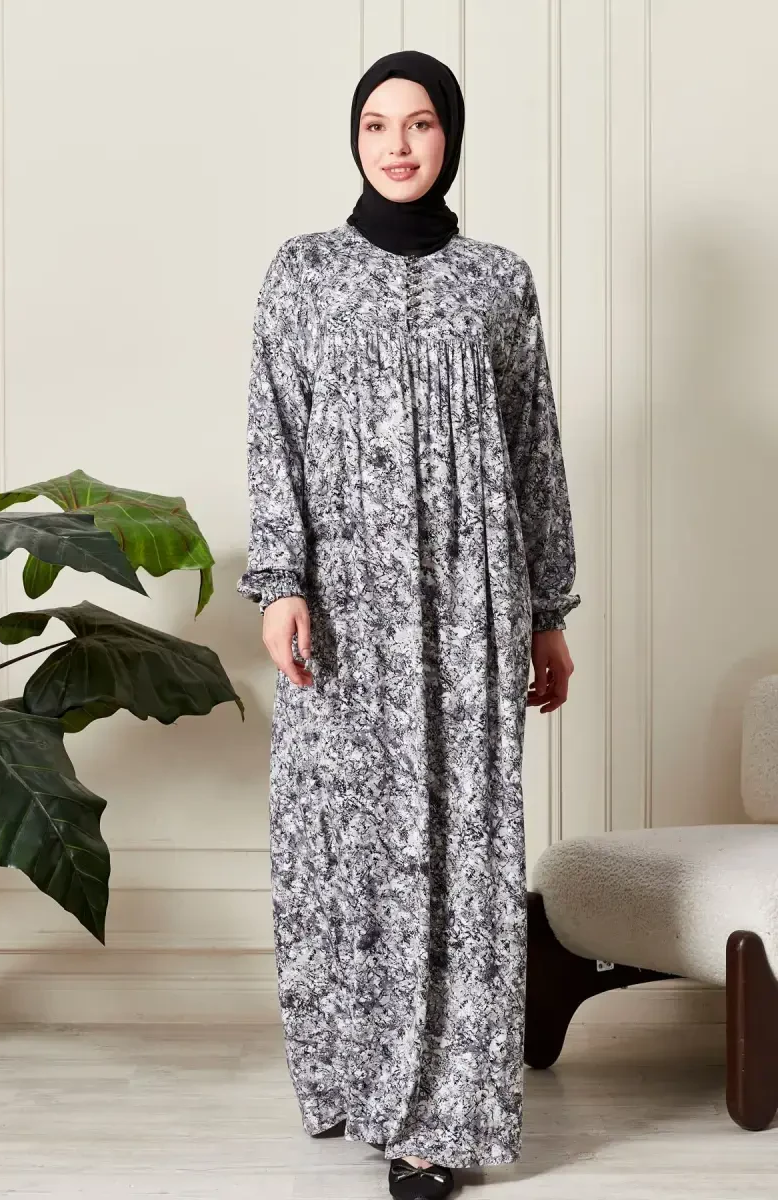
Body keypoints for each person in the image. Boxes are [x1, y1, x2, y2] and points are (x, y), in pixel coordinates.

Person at [238, 49, 581, 1199]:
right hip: (341, 612)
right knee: (340, 844)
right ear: (354, 139)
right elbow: (273, 431)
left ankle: (435, 1118)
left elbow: (532, 450)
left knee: (455, 852)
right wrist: (281, 581)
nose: (396, 144)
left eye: (420, 123)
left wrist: (545, 613)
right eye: (376, 124)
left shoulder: (497, 280)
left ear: (450, 137)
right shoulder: (301, 272)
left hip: (470, 611)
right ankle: (355, 1072)